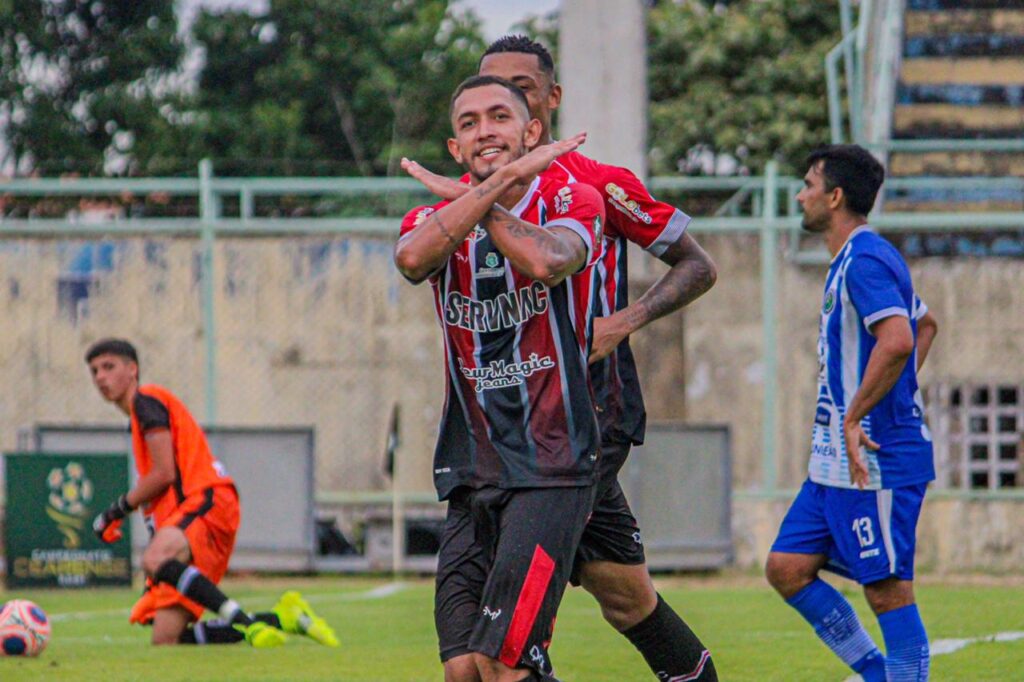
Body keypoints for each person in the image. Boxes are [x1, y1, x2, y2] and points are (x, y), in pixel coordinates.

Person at [401, 34, 718, 681]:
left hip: (586, 419)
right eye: (479, 104)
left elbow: (696, 264)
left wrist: (624, 321)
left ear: (543, 106)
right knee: (624, 596)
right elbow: (413, 257)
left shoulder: (591, 187)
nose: (497, 111)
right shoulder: (447, 207)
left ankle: (522, 656)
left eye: (515, 93)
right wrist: (485, 194)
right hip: (496, 430)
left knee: (504, 643)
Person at [395, 75, 604, 681]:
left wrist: (488, 194)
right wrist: (486, 192)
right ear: (455, 147)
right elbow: (411, 260)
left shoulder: (571, 201)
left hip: (552, 467)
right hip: (471, 467)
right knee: (463, 667)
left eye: (498, 117)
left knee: (504, 662)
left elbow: (549, 260)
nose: (484, 129)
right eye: (468, 123)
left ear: (532, 132)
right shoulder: (428, 216)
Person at [765, 145, 937, 682]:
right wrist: (889, 394)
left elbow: (901, 338)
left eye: (809, 184)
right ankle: (876, 674)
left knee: (886, 590)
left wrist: (860, 413)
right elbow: (925, 326)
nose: (801, 194)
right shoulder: (858, 258)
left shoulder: (864, 259)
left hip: (874, 462)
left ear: (834, 197)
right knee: (788, 568)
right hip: (833, 465)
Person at [86, 338, 338, 649]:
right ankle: (283, 618)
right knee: (166, 638)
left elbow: (164, 474)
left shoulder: (147, 400)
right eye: (94, 370)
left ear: (133, 369)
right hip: (196, 512)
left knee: (154, 558)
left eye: (108, 367)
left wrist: (114, 512)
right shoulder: (139, 419)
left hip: (205, 499)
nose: (100, 377)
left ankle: (247, 626)